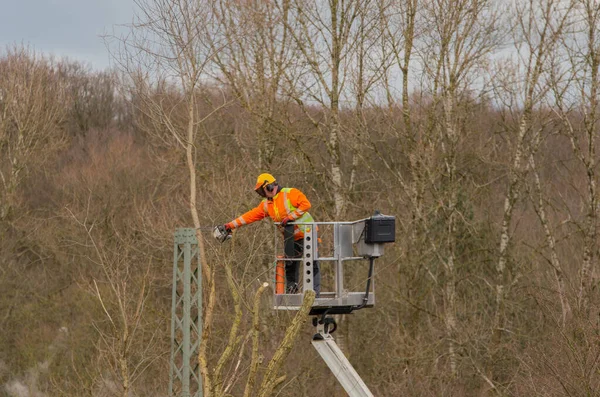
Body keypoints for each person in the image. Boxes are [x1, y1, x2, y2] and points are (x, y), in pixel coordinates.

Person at [222, 173, 320, 295]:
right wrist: (229, 225)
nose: (262, 195)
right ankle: (291, 289)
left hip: (308, 233)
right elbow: (250, 216)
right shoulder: (267, 204)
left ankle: (314, 293)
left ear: (269, 187)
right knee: (290, 262)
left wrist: (290, 217)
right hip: (290, 237)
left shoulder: (290, 193)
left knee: (312, 263)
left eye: (262, 191)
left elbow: (306, 204)